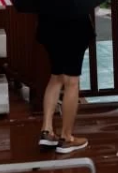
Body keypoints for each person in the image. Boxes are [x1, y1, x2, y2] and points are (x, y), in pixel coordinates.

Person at [36, 13, 96, 154]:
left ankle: (47, 130)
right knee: (72, 81)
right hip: (74, 26)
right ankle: (67, 137)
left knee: (56, 76)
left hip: (48, 24)